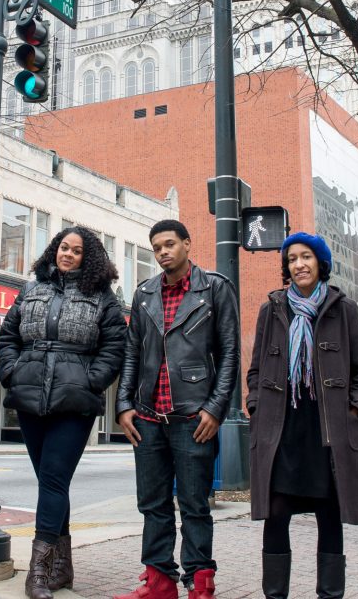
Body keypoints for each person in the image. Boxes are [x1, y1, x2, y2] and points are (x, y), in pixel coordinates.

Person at [0, 226, 127, 599]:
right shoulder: (31, 289)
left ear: (89, 258)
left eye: (76, 250)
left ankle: (38, 572)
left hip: (74, 401)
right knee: (51, 482)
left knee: (53, 478)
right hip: (30, 395)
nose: (67, 254)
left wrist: (91, 381)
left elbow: (114, 347)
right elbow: (8, 337)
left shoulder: (102, 298)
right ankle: (63, 566)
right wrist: (11, 372)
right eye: (63, 247)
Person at [244, 232, 358, 599]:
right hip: (281, 431)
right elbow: (256, 369)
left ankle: (330, 595)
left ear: (320, 263)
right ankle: (275, 595)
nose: (299, 264)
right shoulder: (272, 309)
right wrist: (255, 404)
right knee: (276, 514)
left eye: (306, 257)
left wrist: (355, 409)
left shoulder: (343, 309)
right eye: (292, 259)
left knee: (329, 515)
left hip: (328, 430)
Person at [114, 220, 239, 599]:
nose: (163, 252)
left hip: (193, 416)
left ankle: (200, 582)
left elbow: (230, 352)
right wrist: (123, 405)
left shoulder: (214, 288)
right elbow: (132, 352)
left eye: (169, 244)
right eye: (157, 247)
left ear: (187, 243)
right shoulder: (145, 293)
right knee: (152, 504)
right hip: (147, 417)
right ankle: (159, 581)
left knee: (194, 504)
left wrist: (215, 408)